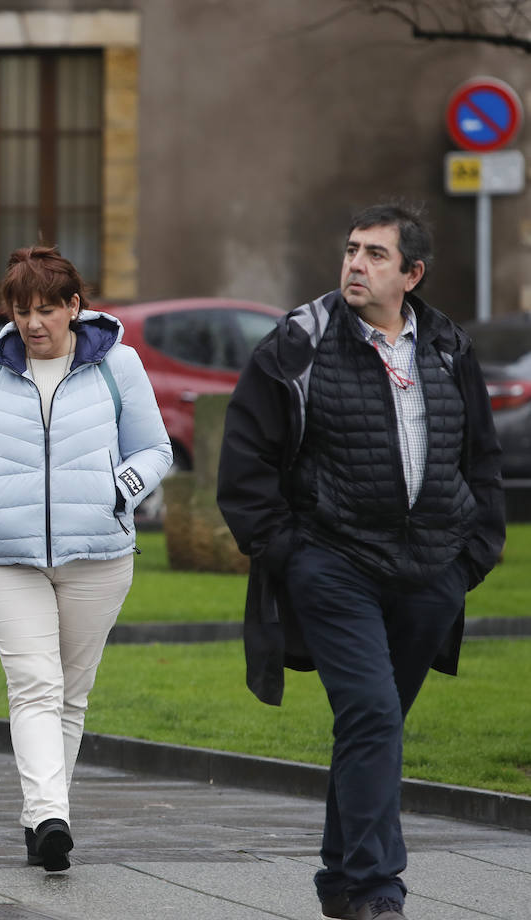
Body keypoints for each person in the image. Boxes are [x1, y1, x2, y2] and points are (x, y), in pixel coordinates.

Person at [216, 204, 504, 920]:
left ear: (411, 274)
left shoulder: (446, 347)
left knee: (374, 725)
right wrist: (289, 551)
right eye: (351, 250)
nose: (355, 265)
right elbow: (244, 462)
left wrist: (471, 554)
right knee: (374, 713)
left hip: (432, 569)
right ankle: (379, 889)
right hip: (334, 563)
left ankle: (341, 881)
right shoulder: (298, 343)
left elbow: (483, 457)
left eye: (376, 255)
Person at [0, 245, 172, 872]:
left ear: (74, 307)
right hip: (4, 556)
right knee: (34, 684)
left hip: (98, 554)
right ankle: (51, 816)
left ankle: (41, 818)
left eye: (46, 310)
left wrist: (117, 491)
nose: (33, 324)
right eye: (20, 311)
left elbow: (155, 449)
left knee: (70, 692)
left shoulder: (119, 365)